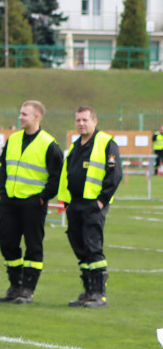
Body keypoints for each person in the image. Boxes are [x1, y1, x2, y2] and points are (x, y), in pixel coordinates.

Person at [0, 100, 63, 304]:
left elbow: (56, 176)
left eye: (25, 114)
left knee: (33, 245)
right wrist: (4, 193)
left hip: (33, 203)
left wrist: (43, 197)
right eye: (20, 113)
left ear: (37, 117)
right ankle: (15, 285)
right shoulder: (13, 139)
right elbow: (3, 168)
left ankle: (28, 289)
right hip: (10, 201)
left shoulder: (49, 144)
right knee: (7, 241)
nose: (20, 117)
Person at [59, 106, 123, 308]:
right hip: (75, 203)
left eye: (85, 120)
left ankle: (99, 294)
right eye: (78, 120)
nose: (81, 123)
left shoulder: (106, 143)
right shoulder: (75, 145)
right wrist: (67, 203)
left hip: (93, 204)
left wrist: (102, 200)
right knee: (79, 246)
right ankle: (87, 291)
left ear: (94, 121)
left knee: (93, 246)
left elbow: (115, 174)